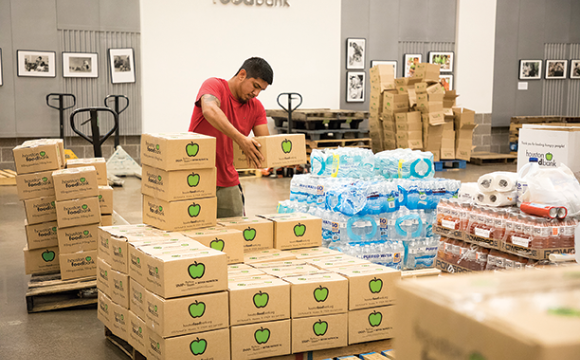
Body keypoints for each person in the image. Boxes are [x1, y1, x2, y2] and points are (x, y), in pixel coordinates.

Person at [189, 57, 273, 218]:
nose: (256, 93)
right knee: (192, 234)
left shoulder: (256, 107)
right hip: (195, 179)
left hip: (228, 182)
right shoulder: (214, 86)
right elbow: (209, 110)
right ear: (242, 75)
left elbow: (266, 145)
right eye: (255, 86)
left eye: (261, 90)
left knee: (235, 235)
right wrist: (241, 139)